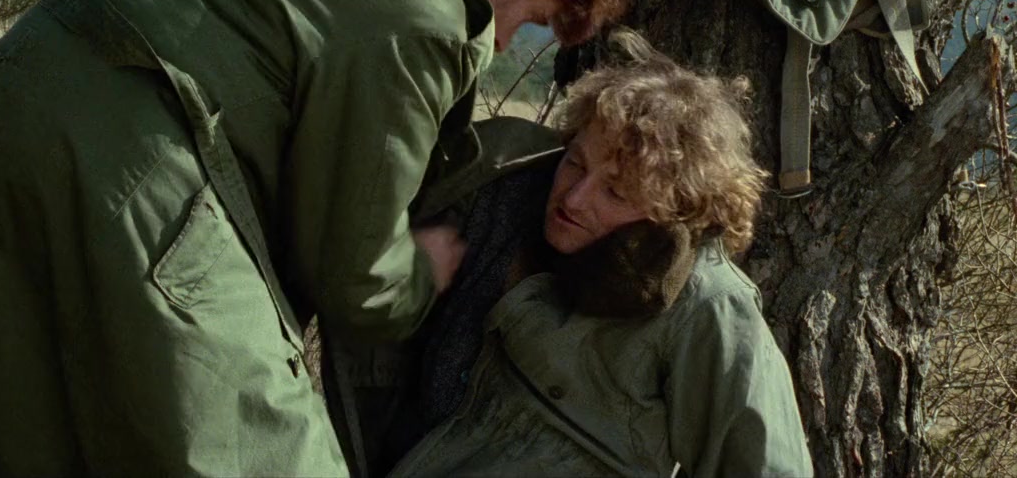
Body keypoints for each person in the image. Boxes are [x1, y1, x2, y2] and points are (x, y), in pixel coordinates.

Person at [0, 0, 636, 476]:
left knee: (22, 416)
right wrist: (418, 273)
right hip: (128, 160)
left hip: (6, 98)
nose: (503, 44)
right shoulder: (426, 17)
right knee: (263, 446)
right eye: (528, 21)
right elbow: (353, 271)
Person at [329, 29, 813, 477]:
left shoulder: (708, 305)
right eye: (575, 163)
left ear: (674, 211)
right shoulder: (503, 198)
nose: (575, 198)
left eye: (616, 192)